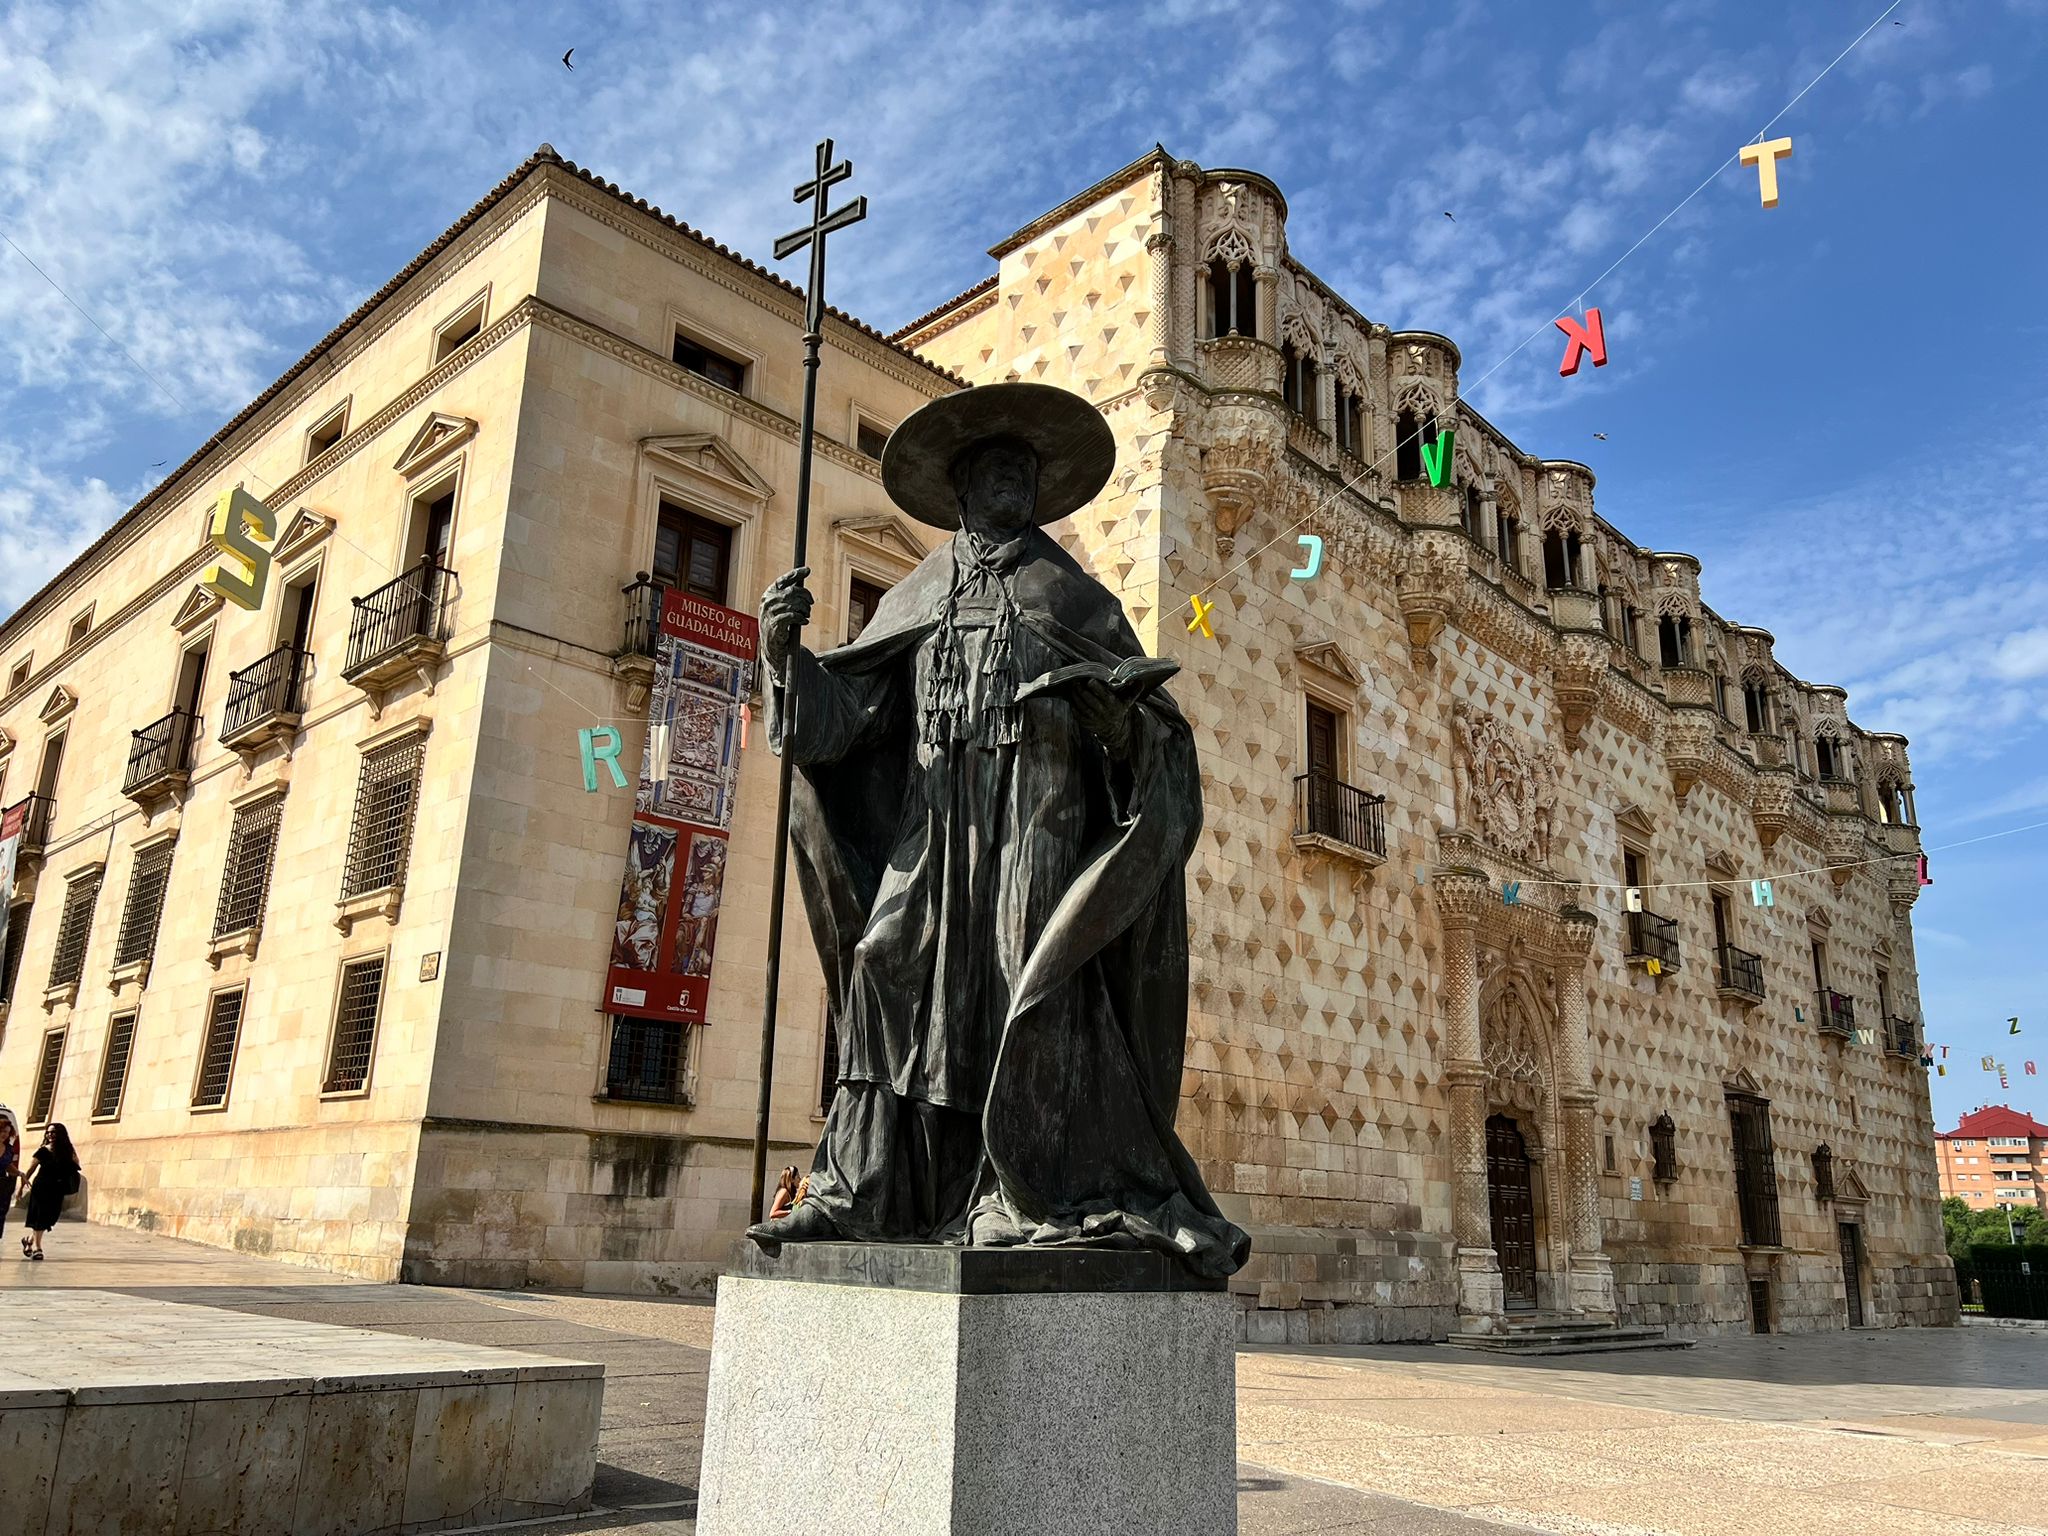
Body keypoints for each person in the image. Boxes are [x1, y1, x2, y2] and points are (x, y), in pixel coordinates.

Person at [747, 382, 1248, 1279]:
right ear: (965, 488)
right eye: (994, 472)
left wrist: (1116, 719)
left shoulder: (1079, 599)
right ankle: (861, 1184)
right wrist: (785, 655)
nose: (1011, 485)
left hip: (1038, 824)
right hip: (933, 826)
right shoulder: (915, 593)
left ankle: (1028, 1189)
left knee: (1030, 977)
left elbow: (1153, 730)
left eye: (1024, 473)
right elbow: (846, 722)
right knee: (882, 964)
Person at [18, 1122, 79, 1260]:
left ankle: (28, 1240)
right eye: (48, 1132)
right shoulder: (43, 1151)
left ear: (60, 1134)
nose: (50, 1135)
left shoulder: (67, 1151)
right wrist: (21, 1187)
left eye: (53, 1132)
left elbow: (76, 1165)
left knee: (50, 1218)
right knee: (40, 1217)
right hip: (41, 1187)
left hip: (57, 1189)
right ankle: (38, 1248)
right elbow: (30, 1169)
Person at [0, 1107, 19, 1243]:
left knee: (1, 1213)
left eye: (7, 1132)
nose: (4, 1134)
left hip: (2, 1183)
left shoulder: (8, 1148)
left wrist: (19, 1173)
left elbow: (7, 1165)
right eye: (2, 1131)